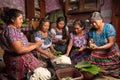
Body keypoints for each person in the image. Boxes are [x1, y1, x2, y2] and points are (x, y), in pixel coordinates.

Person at [0, 8, 44, 80]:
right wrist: (36, 45)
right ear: (13, 19)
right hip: (16, 58)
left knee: (39, 68)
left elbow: (23, 42)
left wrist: (35, 44)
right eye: (20, 19)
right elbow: (19, 50)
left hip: (20, 55)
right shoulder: (11, 30)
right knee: (36, 73)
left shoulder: (15, 29)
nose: (22, 21)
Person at [88, 11, 120, 78]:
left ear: (101, 20)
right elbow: (91, 41)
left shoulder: (109, 27)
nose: (93, 24)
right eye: (92, 23)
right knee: (97, 72)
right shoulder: (92, 30)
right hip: (98, 52)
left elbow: (111, 43)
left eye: (95, 22)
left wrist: (98, 48)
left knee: (114, 73)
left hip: (109, 51)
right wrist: (91, 43)